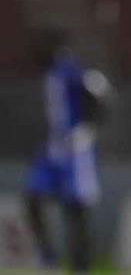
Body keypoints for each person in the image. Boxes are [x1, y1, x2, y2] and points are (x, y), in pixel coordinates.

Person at [24, 29, 110, 272]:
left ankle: (81, 266)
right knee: (33, 199)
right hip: (52, 150)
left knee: (77, 210)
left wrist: (89, 128)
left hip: (75, 152)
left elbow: (100, 90)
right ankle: (48, 259)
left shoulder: (71, 69)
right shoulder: (51, 73)